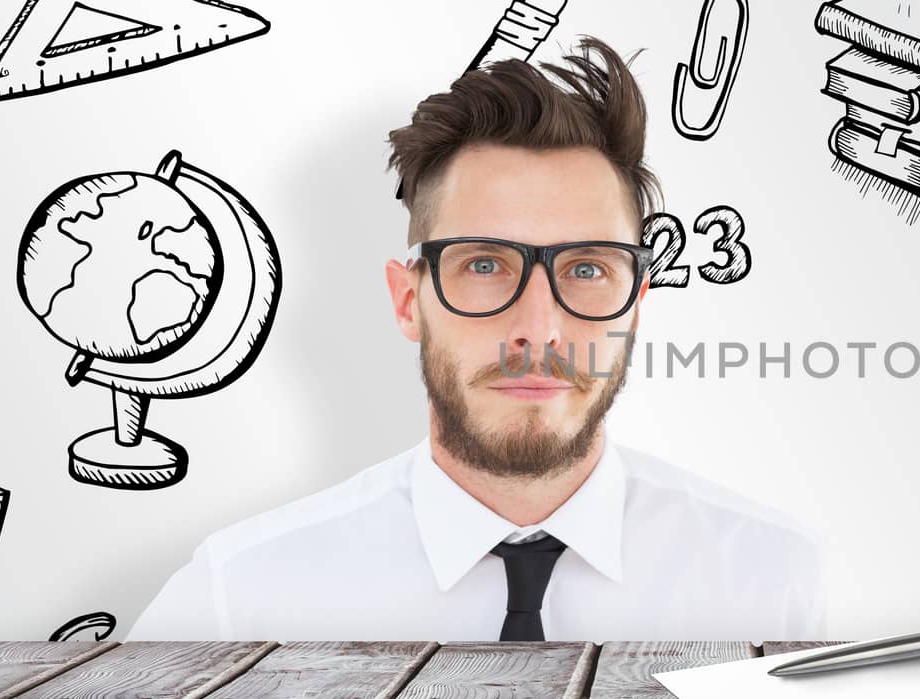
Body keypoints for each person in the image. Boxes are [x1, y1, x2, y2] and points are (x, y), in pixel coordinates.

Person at [128, 37, 825, 642]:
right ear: (409, 300)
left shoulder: (770, 582)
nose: (538, 328)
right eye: (486, 265)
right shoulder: (242, 595)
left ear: (636, 305)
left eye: (587, 269)